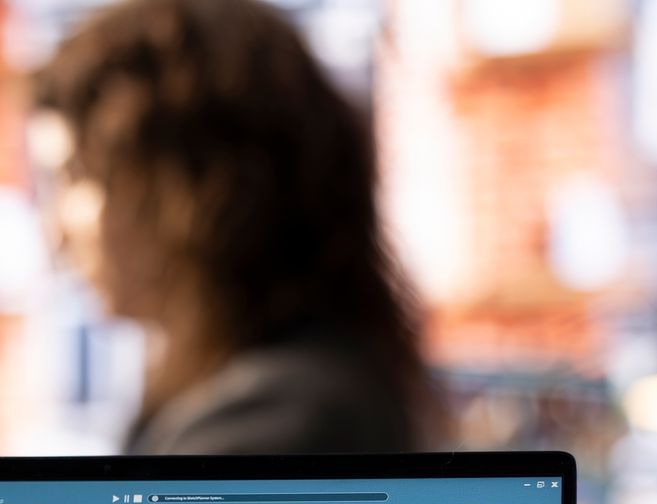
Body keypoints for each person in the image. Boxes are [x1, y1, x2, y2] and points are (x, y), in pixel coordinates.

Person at [31, 0, 438, 455]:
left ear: (196, 186)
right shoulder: (282, 382)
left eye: (77, 177)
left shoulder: (270, 423)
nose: (57, 235)